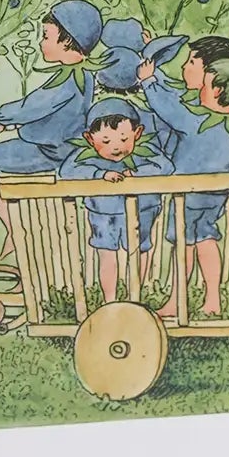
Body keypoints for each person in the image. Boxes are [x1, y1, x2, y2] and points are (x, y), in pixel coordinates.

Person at [0, 0, 109, 244]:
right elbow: (48, 115)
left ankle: (15, 229)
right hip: (51, 146)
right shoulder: (79, 74)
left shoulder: (69, 78)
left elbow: (33, 106)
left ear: (67, 41)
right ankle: (16, 228)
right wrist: (2, 125)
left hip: (49, 151)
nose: (41, 43)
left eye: (46, 36)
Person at [138, 53, 229, 320]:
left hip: (184, 200)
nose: (200, 90)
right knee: (207, 241)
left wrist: (148, 81)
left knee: (184, 247)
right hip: (215, 199)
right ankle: (213, 299)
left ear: (219, 91)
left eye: (204, 85)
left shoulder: (194, 120)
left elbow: (167, 110)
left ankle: (178, 299)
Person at [57, 96, 172, 303]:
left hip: (142, 211)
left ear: (137, 134)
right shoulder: (84, 155)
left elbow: (165, 166)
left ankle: (133, 298)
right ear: (90, 139)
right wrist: (98, 174)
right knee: (106, 255)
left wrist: (136, 174)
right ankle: (109, 300)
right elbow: (67, 171)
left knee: (139, 251)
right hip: (103, 214)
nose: (116, 147)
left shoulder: (146, 152)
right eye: (106, 141)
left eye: (123, 139)